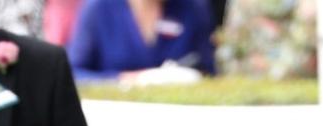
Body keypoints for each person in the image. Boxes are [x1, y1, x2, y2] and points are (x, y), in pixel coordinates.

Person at [67, 0, 215, 82]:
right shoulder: (99, 8)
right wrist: (126, 80)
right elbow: (74, 74)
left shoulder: (192, 8)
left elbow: (209, 73)